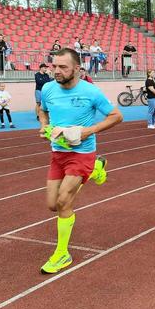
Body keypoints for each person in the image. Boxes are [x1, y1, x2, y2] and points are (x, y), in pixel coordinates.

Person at [39, 47, 122, 273]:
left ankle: (61, 254)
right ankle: (97, 170)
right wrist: (44, 125)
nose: (56, 70)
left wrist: (89, 131)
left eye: (62, 67)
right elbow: (41, 109)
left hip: (82, 153)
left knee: (64, 202)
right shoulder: (47, 89)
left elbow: (116, 116)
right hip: (58, 153)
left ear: (77, 68)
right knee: (51, 205)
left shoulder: (91, 92)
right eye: (54, 66)